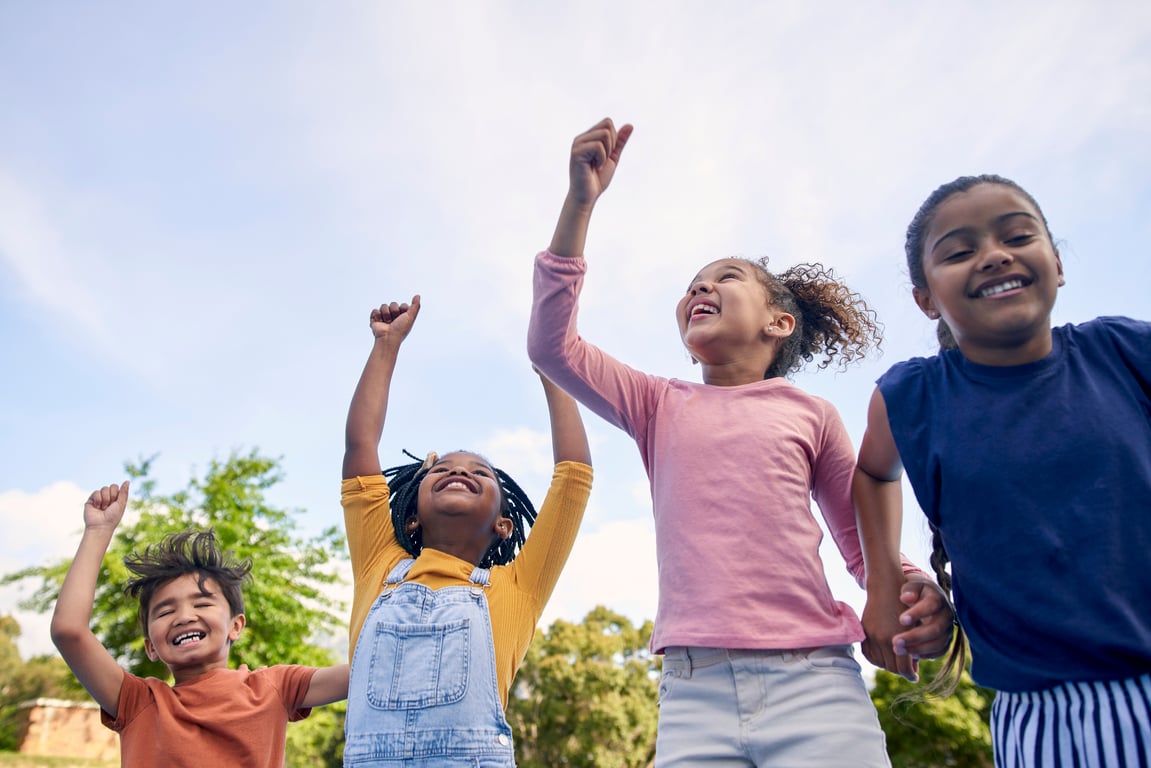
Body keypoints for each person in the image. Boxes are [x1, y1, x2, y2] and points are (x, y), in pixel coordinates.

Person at [527, 118, 955, 767]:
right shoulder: (656, 403)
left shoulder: (809, 414)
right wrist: (579, 203)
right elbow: (551, 346)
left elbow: (861, 539)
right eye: (691, 283)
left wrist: (911, 591)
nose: (699, 287)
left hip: (813, 682)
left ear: (777, 323)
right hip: (693, 693)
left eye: (724, 277)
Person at [854, 174, 1151, 767]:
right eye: (960, 251)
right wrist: (883, 585)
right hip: (1041, 716)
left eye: (1017, 235)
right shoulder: (912, 395)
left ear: (1057, 263)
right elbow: (873, 474)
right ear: (927, 298)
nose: (994, 256)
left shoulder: (1125, 350)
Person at [341, 295, 593, 766]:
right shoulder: (379, 562)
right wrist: (386, 347)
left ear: (504, 524)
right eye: (443, 469)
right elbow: (361, 445)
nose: (460, 470)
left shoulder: (518, 587)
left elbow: (573, 476)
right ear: (411, 516)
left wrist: (552, 369)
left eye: (482, 472)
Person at [50, 482, 349, 768]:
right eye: (165, 611)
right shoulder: (137, 702)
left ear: (236, 626)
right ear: (151, 647)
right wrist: (99, 530)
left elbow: (363, 673)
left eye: (202, 603)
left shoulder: (275, 687)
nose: (184, 616)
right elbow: (69, 631)